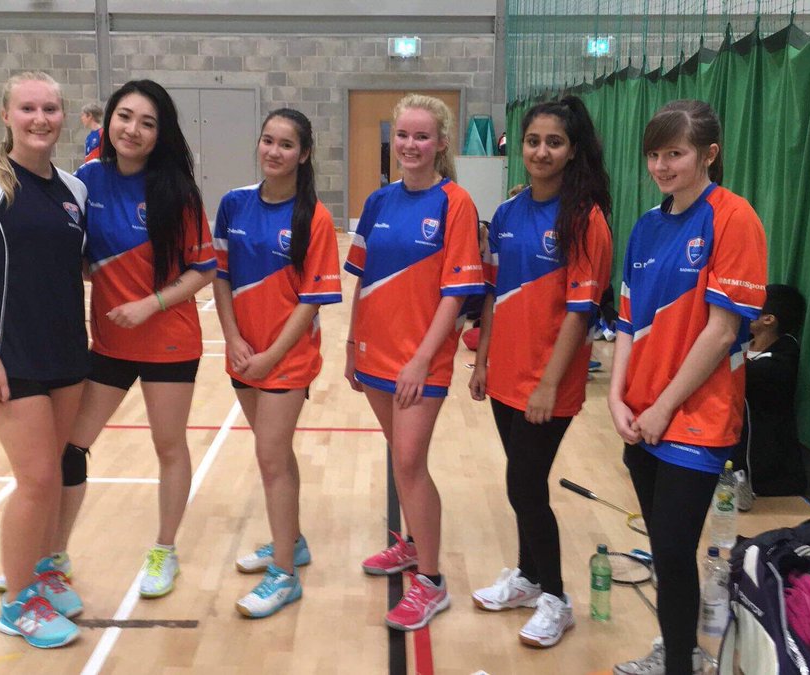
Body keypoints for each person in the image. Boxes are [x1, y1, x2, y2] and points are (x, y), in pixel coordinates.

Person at [0, 80, 215, 602]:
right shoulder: (84, 181)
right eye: (125, 117)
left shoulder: (177, 191)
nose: (133, 130)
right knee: (69, 448)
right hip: (109, 342)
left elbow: (203, 268)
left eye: (148, 122)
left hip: (170, 342)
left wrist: (149, 304)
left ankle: (164, 549)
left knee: (168, 445)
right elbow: (75, 249)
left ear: (161, 134)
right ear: (108, 122)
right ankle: (51, 555)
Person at [608, 99, 767, 675]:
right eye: (653, 154)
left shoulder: (733, 218)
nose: (661, 166)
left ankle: (680, 662)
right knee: (668, 555)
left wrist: (663, 407)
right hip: (641, 414)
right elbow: (626, 322)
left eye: (674, 153)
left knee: (674, 549)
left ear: (709, 154)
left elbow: (722, 330)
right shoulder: (647, 225)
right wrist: (616, 395)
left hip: (696, 418)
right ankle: (680, 652)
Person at [0, 71, 88, 649]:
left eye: (50, 108)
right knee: (36, 479)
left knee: (54, 475)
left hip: (67, 353)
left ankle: (41, 571)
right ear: (6, 115)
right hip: (12, 356)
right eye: (28, 108)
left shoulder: (73, 190)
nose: (40, 118)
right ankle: (17, 604)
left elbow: (79, 267)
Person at [467, 97, 613, 649]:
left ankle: (556, 597)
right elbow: (493, 294)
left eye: (554, 142)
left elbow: (582, 311)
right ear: (520, 146)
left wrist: (550, 382)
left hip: (548, 381)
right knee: (521, 482)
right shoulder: (506, 213)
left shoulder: (585, 219)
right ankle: (528, 579)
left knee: (525, 485)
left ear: (573, 149)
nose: (542, 151)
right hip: (504, 371)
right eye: (533, 141)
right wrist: (481, 360)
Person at [344, 93, 485, 631]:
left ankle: (430, 581)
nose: (410, 145)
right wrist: (351, 344)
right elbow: (362, 281)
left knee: (408, 461)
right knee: (399, 455)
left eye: (422, 136)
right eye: (402, 135)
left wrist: (423, 360)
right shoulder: (379, 202)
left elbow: (455, 294)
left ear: (441, 143)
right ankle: (409, 545)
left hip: (419, 361)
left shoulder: (456, 203)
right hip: (374, 353)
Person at [212, 108, 342, 618]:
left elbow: (310, 300)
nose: (273, 151)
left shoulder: (316, 217)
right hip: (243, 351)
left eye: (286, 144)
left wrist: (271, 354)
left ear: (303, 154)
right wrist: (232, 339)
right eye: (268, 140)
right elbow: (220, 275)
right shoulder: (232, 205)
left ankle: (285, 575)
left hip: (286, 357)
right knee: (276, 454)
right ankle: (293, 540)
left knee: (270, 458)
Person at [732, 283, 808, 507]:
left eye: (751, 304)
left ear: (768, 319)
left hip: (765, 473)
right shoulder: (744, 341)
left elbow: (732, 378)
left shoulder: (780, 361)